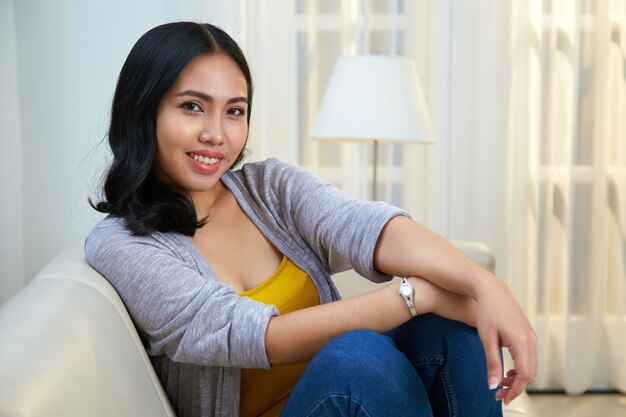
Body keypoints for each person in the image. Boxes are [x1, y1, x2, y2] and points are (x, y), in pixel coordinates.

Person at [86, 21, 536, 417]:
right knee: (356, 356)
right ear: (144, 111)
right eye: (192, 106)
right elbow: (258, 336)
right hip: (334, 394)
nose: (216, 134)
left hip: (355, 405)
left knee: (447, 332)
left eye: (235, 111)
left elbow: (365, 227)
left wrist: (483, 285)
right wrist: (417, 294)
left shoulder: (268, 189)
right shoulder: (121, 244)